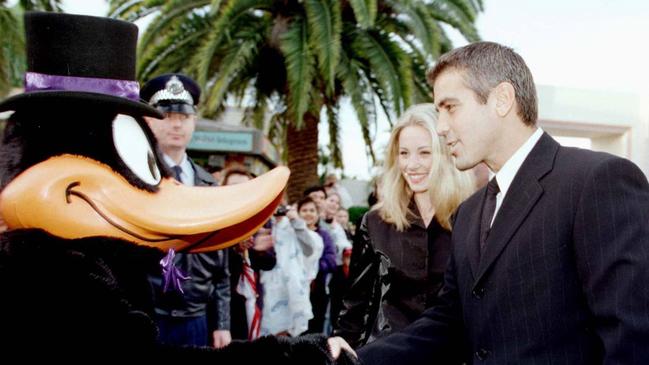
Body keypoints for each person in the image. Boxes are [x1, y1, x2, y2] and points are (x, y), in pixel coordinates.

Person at [358, 41, 649, 364]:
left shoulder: (597, 181)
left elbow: (631, 336)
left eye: (450, 107)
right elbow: (448, 322)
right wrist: (352, 361)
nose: (441, 128)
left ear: (502, 100)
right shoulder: (468, 213)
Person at [336, 104, 475, 348]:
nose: (411, 165)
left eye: (424, 153)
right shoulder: (376, 222)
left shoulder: (472, 217)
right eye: (403, 153)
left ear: (445, 153)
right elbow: (356, 305)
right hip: (384, 354)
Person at [141, 73, 232, 348]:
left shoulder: (208, 184)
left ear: (194, 122)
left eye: (184, 117)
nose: (176, 124)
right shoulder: (136, 178)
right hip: (148, 316)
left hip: (197, 319)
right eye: (166, 115)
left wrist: (222, 324)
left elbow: (222, 265)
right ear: (148, 120)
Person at [222, 167, 276, 341]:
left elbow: (270, 262)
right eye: (234, 186)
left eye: (245, 186)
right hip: (221, 299)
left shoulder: (259, 218)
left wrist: (255, 251)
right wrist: (234, 249)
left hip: (249, 298)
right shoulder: (215, 217)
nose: (239, 191)